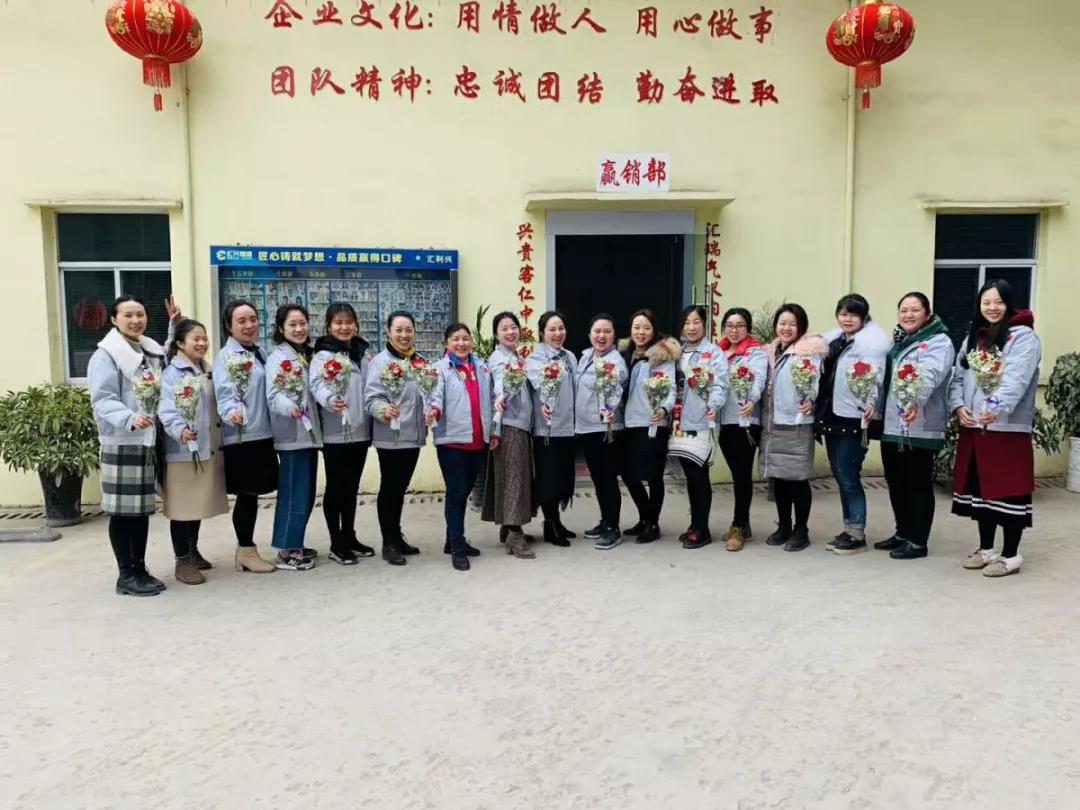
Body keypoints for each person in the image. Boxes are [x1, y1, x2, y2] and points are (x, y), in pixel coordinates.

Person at [949, 280, 1041, 578]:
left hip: (1006, 429)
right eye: (986, 302)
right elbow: (957, 377)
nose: (992, 308)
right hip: (975, 428)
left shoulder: (1023, 337)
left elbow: (1017, 378)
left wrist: (995, 407)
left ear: (1009, 303)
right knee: (981, 492)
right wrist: (958, 405)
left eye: (998, 302)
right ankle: (986, 549)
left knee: (1009, 491)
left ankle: (1011, 555)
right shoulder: (973, 337)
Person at [88, 296, 172, 596]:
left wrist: (174, 326)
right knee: (123, 513)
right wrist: (129, 418)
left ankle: (139, 568)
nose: (136, 320)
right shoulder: (106, 355)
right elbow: (102, 399)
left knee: (140, 511)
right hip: (122, 441)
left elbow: (164, 363)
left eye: (140, 314)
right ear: (114, 319)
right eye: (128, 315)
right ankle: (126, 573)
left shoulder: (147, 349)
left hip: (146, 441)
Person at [877, 292, 955, 559]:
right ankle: (903, 533)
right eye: (904, 310)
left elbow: (929, 375)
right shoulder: (898, 342)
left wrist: (914, 402)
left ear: (927, 313)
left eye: (915, 310)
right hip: (892, 425)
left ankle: (918, 541)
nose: (908, 315)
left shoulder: (938, 342)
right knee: (896, 482)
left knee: (917, 484)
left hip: (920, 424)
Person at [816, 294, 891, 555]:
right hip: (832, 414)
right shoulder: (836, 341)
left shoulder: (871, 344)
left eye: (853, 314)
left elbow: (875, 377)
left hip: (854, 418)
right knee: (840, 474)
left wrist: (871, 403)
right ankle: (849, 528)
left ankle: (857, 534)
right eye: (843, 313)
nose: (847, 319)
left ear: (864, 317)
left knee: (848, 476)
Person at [158, 317, 229, 585]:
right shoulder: (173, 373)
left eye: (204, 338)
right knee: (182, 508)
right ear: (180, 343)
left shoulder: (206, 369)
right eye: (195, 339)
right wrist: (180, 429)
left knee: (196, 504)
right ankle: (182, 561)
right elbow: (166, 408)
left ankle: (192, 551)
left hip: (204, 447)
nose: (202, 343)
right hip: (182, 451)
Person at [213, 300, 279, 574]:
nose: (249, 325)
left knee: (252, 494)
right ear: (229, 326)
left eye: (253, 319)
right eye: (241, 321)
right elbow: (224, 393)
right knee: (247, 494)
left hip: (261, 433)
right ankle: (246, 550)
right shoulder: (226, 357)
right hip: (243, 435)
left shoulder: (258, 352)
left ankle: (246, 551)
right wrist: (233, 413)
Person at [759, 304, 828, 552]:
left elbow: (813, 382)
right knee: (779, 479)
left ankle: (801, 530)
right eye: (782, 323)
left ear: (801, 327)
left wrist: (810, 400)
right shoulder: (771, 351)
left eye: (792, 324)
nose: (786, 328)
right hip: (772, 424)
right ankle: (784, 526)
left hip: (796, 424)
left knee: (797, 479)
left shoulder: (808, 351)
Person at [311, 302, 373, 566]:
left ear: (356, 325)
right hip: (335, 433)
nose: (344, 327)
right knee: (336, 488)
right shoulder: (322, 356)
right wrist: (329, 399)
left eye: (348, 322)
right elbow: (316, 384)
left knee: (351, 487)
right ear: (329, 326)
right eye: (338, 323)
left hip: (359, 432)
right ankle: (336, 543)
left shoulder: (362, 353)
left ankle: (349, 536)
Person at [428, 323, 493, 571]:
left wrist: (493, 432)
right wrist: (433, 411)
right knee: (456, 493)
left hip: (477, 441)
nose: (461, 343)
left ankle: (451, 539)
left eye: (465, 338)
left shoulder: (481, 368)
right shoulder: (440, 369)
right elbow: (435, 397)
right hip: (452, 442)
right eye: (455, 339)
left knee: (463, 492)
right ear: (447, 344)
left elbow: (489, 401)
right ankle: (457, 547)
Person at [365, 310, 428, 566]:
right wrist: (383, 409)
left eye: (408, 330)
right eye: (398, 330)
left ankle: (397, 536)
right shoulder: (379, 362)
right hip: (390, 436)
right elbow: (371, 398)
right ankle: (389, 542)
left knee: (400, 488)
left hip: (413, 436)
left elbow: (427, 393)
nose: (404, 335)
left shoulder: (419, 362)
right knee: (390, 488)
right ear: (388, 333)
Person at [266, 304, 323, 571]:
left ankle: (295, 541)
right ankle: (286, 550)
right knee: (294, 493)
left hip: (307, 434)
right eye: (292, 325)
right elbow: (273, 394)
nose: (299, 329)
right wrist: (290, 408)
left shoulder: (305, 355)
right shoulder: (278, 358)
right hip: (292, 434)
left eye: (303, 323)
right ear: (281, 328)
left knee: (305, 492)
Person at [668, 305, 727, 550]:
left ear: (705, 324)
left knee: (699, 474)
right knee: (689, 476)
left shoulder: (713, 352)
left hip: (701, 420)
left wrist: (714, 404)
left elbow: (721, 384)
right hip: (678, 421)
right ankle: (694, 524)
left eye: (696, 322)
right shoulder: (677, 351)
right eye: (687, 322)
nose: (691, 327)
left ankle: (702, 529)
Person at [619, 309, 679, 544]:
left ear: (654, 330)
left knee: (653, 475)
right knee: (628, 474)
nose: (640, 332)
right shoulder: (625, 354)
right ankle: (645, 517)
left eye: (646, 328)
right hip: (630, 423)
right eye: (636, 327)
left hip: (653, 423)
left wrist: (664, 409)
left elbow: (670, 386)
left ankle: (652, 524)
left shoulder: (662, 355)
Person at [481, 311, 537, 559]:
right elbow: (500, 384)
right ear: (496, 335)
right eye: (504, 328)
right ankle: (515, 535)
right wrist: (501, 397)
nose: (510, 331)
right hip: (509, 425)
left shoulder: (516, 357)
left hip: (520, 425)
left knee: (515, 476)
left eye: (513, 327)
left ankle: (508, 526)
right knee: (514, 477)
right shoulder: (498, 359)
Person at [575, 313, 629, 550]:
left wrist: (609, 408)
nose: (601, 336)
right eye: (597, 331)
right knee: (598, 478)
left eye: (607, 332)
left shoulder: (615, 362)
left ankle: (613, 528)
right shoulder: (586, 356)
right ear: (589, 334)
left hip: (607, 429)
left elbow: (616, 386)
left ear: (614, 336)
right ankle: (605, 520)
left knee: (607, 478)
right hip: (587, 428)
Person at [716, 307, 768, 552]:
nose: (734, 330)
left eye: (740, 326)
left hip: (746, 422)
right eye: (730, 325)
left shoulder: (755, 352)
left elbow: (758, 380)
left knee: (742, 474)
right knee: (737, 473)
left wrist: (752, 400)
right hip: (725, 421)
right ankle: (743, 525)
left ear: (748, 328)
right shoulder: (719, 352)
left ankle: (738, 526)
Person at [526, 311, 578, 547]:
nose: (558, 333)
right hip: (547, 430)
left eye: (561, 328)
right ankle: (550, 524)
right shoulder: (536, 359)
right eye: (552, 330)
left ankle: (557, 521)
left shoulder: (570, 357)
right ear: (542, 334)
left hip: (569, 427)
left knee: (564, 476)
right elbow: (540, 386)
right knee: (549, 478)